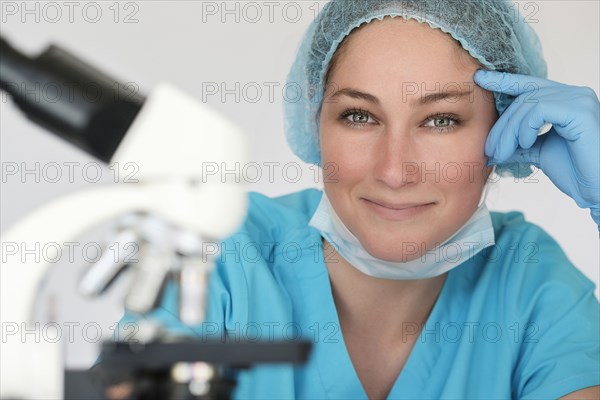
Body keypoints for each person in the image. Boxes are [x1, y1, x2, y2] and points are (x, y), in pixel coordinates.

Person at [110, 1, 600, 399]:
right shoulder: (223, 254)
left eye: (441, 120)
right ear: (315, 122)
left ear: (502, 133)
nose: (393, 170)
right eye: (360, 116)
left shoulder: (530, 282)